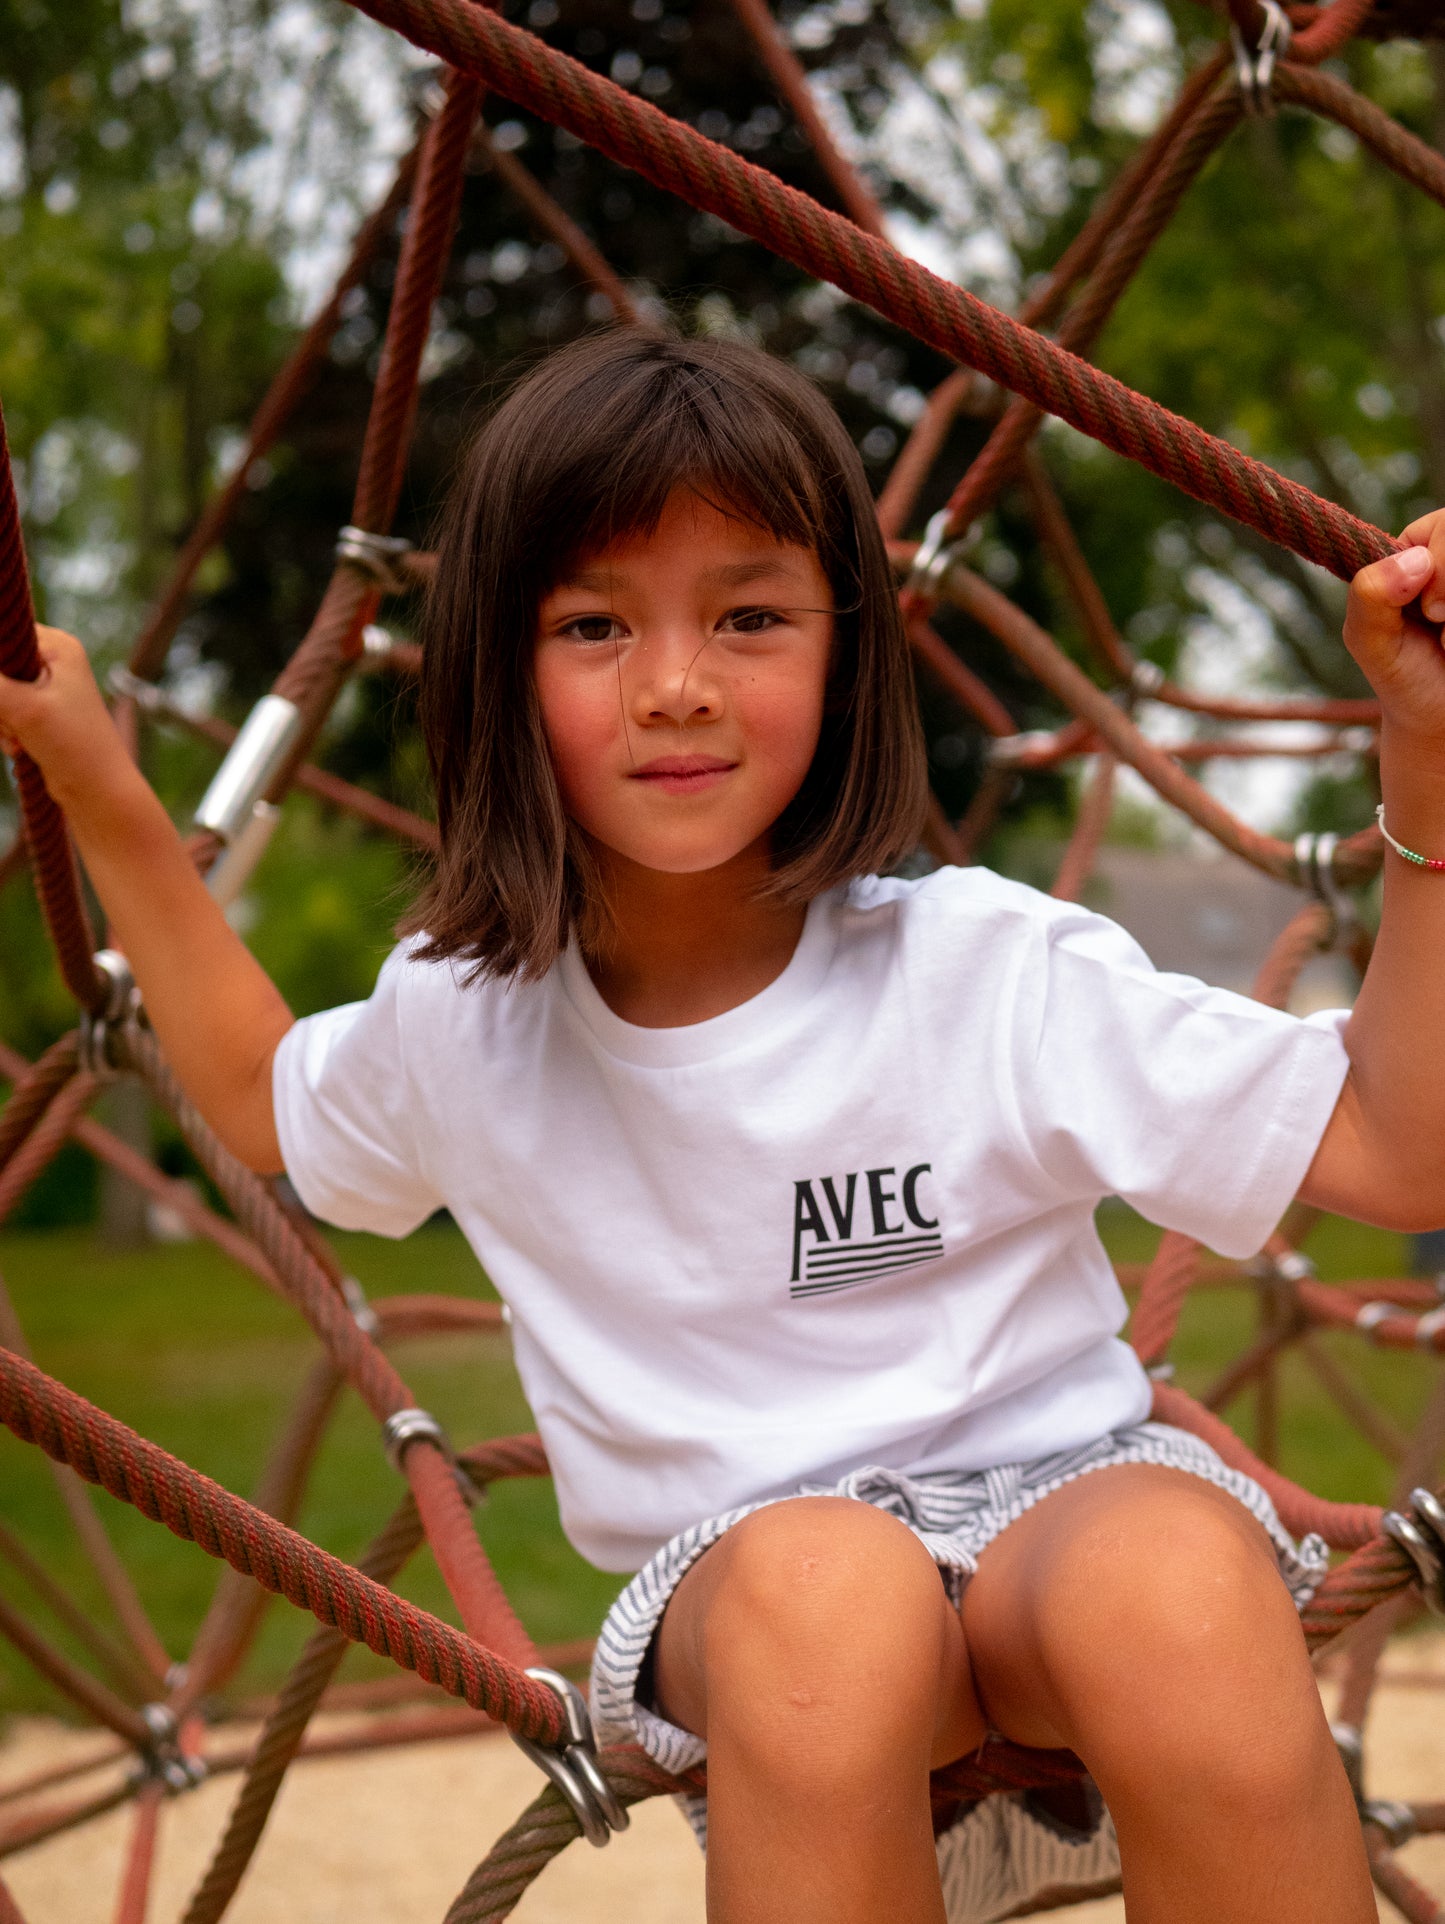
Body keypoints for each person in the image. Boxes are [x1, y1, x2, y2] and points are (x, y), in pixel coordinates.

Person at [3, 329, 1443, 1924]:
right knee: (827, 1598)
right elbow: (273, 1106)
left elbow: (1394, 1151)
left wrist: (1429, 767)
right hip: (753, 1586)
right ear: (494, 666)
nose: (675, 682)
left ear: (843, 654)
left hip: (1060, 1517)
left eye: (749, 617)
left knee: (1180, 1586)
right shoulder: (466, 1021)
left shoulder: (983, 969)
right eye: (592, 624)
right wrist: (101, 790)